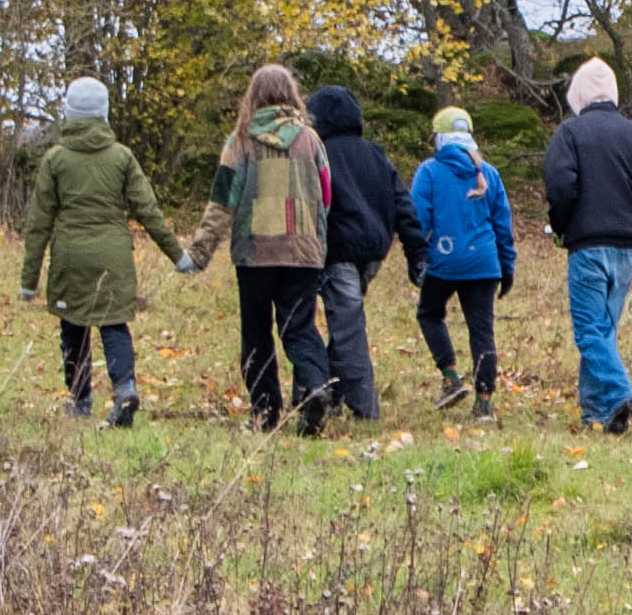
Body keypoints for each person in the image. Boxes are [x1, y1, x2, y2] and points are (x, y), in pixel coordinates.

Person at [16, 76, 171, 425]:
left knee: (74, 328)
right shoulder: (123, 157)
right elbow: (148, 210)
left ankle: (80, 400)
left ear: (69, 113)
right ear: (104, 113)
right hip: (113, 256)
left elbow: (39, 224)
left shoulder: (55, 159)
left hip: (71, 256)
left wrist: (29, 281)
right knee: (114, 325)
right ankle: (125, 388)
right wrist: (178, 255)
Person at [539, 56, 632, 433]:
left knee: (590, 332)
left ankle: (620, 391)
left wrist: (562, 226)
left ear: (578, 94)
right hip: (626, 250)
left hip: (587, 247)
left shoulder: (569, 133)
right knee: (604, 331)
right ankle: (600, 412)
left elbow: (560, 188)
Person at [218, 63, 339, 435]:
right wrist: (311, 237)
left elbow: (223, 200)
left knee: (256, 333)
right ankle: (316, 387)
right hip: (302, 252)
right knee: (299, 327)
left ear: (252, 96)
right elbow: (327, 195)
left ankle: (266, 414)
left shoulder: (239, 141)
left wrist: (201, 251)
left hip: (254, 255)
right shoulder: (310, 140)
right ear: (292, 94)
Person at [403, 105, 515, 412]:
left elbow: (419, 221)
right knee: (482, 331)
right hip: (484, 264)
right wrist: (507, 268)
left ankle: (451, 377)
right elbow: (503, 227)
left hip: (443, 261)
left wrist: (417, 259)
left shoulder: (428, 171)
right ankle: (484, 402)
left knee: (429, 314)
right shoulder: (489, 173)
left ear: (439, 139)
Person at [307, 83, 402, 431]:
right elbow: (401, 200)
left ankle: (365, 407)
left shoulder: (321, 154)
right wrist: (415, 250)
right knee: (345, 322)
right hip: (374, 250)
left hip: (339, 250)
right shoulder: (375, 154)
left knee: (347, 328)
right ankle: (331, 394)